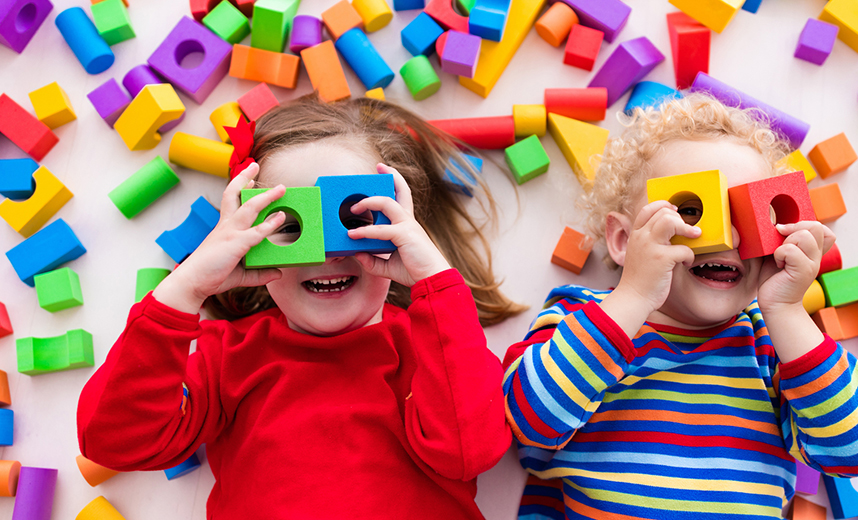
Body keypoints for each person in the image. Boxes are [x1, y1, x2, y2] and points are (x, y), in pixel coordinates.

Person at [77, 95, 524, 519]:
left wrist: (436, 286)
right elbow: (114, 442)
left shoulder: (433, 345)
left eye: (352, 220)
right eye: (290, 225)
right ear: (246, 241)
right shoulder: (226, 356)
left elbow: (472, 453)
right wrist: (185, 291)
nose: (323, 254)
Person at [502, 93, 858, 519]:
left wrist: (787, 310)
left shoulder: (774, 344)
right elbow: (528, 420)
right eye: (692, 210)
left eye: (748, 215)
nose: (726, 238)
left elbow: (857, 450)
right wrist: (632, 296)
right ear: (621, 241)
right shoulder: (582, 318)